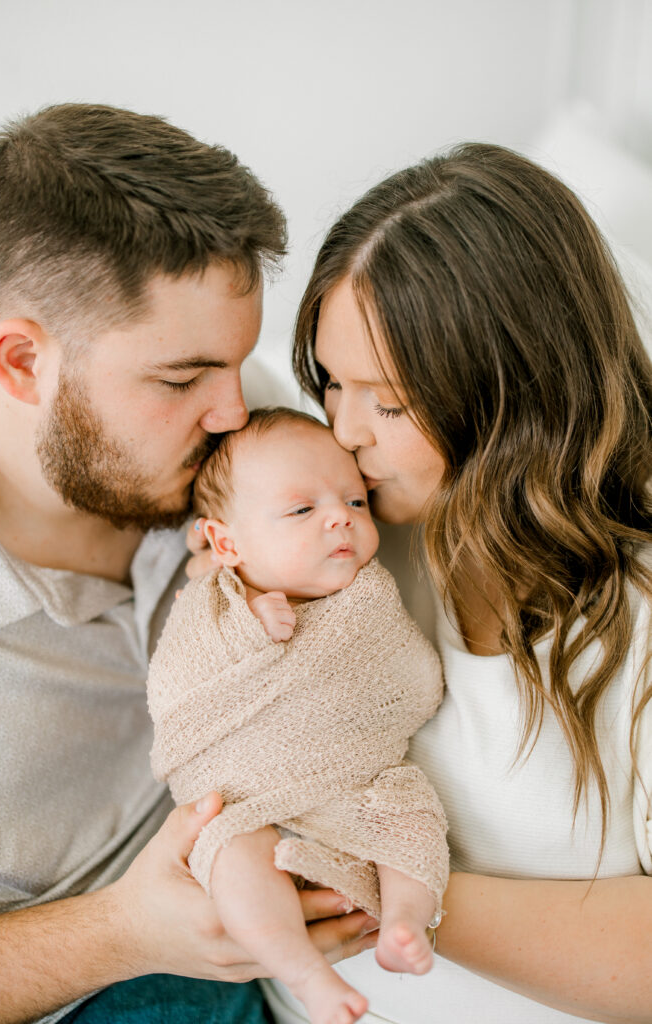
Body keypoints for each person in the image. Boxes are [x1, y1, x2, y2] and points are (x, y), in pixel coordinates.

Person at [186, 142, 652, 1024]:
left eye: (389, 403)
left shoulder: (634, 615)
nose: (344, 431)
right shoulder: (352, 524)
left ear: (518, 398)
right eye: (331, 382)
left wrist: (380, 879)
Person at [0, 104, 380, 1024]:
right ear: (24, 363)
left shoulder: (238, 441)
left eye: (237, 362)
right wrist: (123, 933)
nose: (235, 410)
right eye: (181, 377)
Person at [147, 407, 449, 1024]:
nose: (341, 516)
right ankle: (304, 973)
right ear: (227, 543)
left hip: (355, 783)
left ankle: (405, 920)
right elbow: (178, 676)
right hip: (250, 797)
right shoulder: (213, 599)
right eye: (301, 510)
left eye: (356, 502)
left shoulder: (368, 595)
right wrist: (245, 629)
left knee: (412, 815)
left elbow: (412, 678)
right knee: (231, 851)